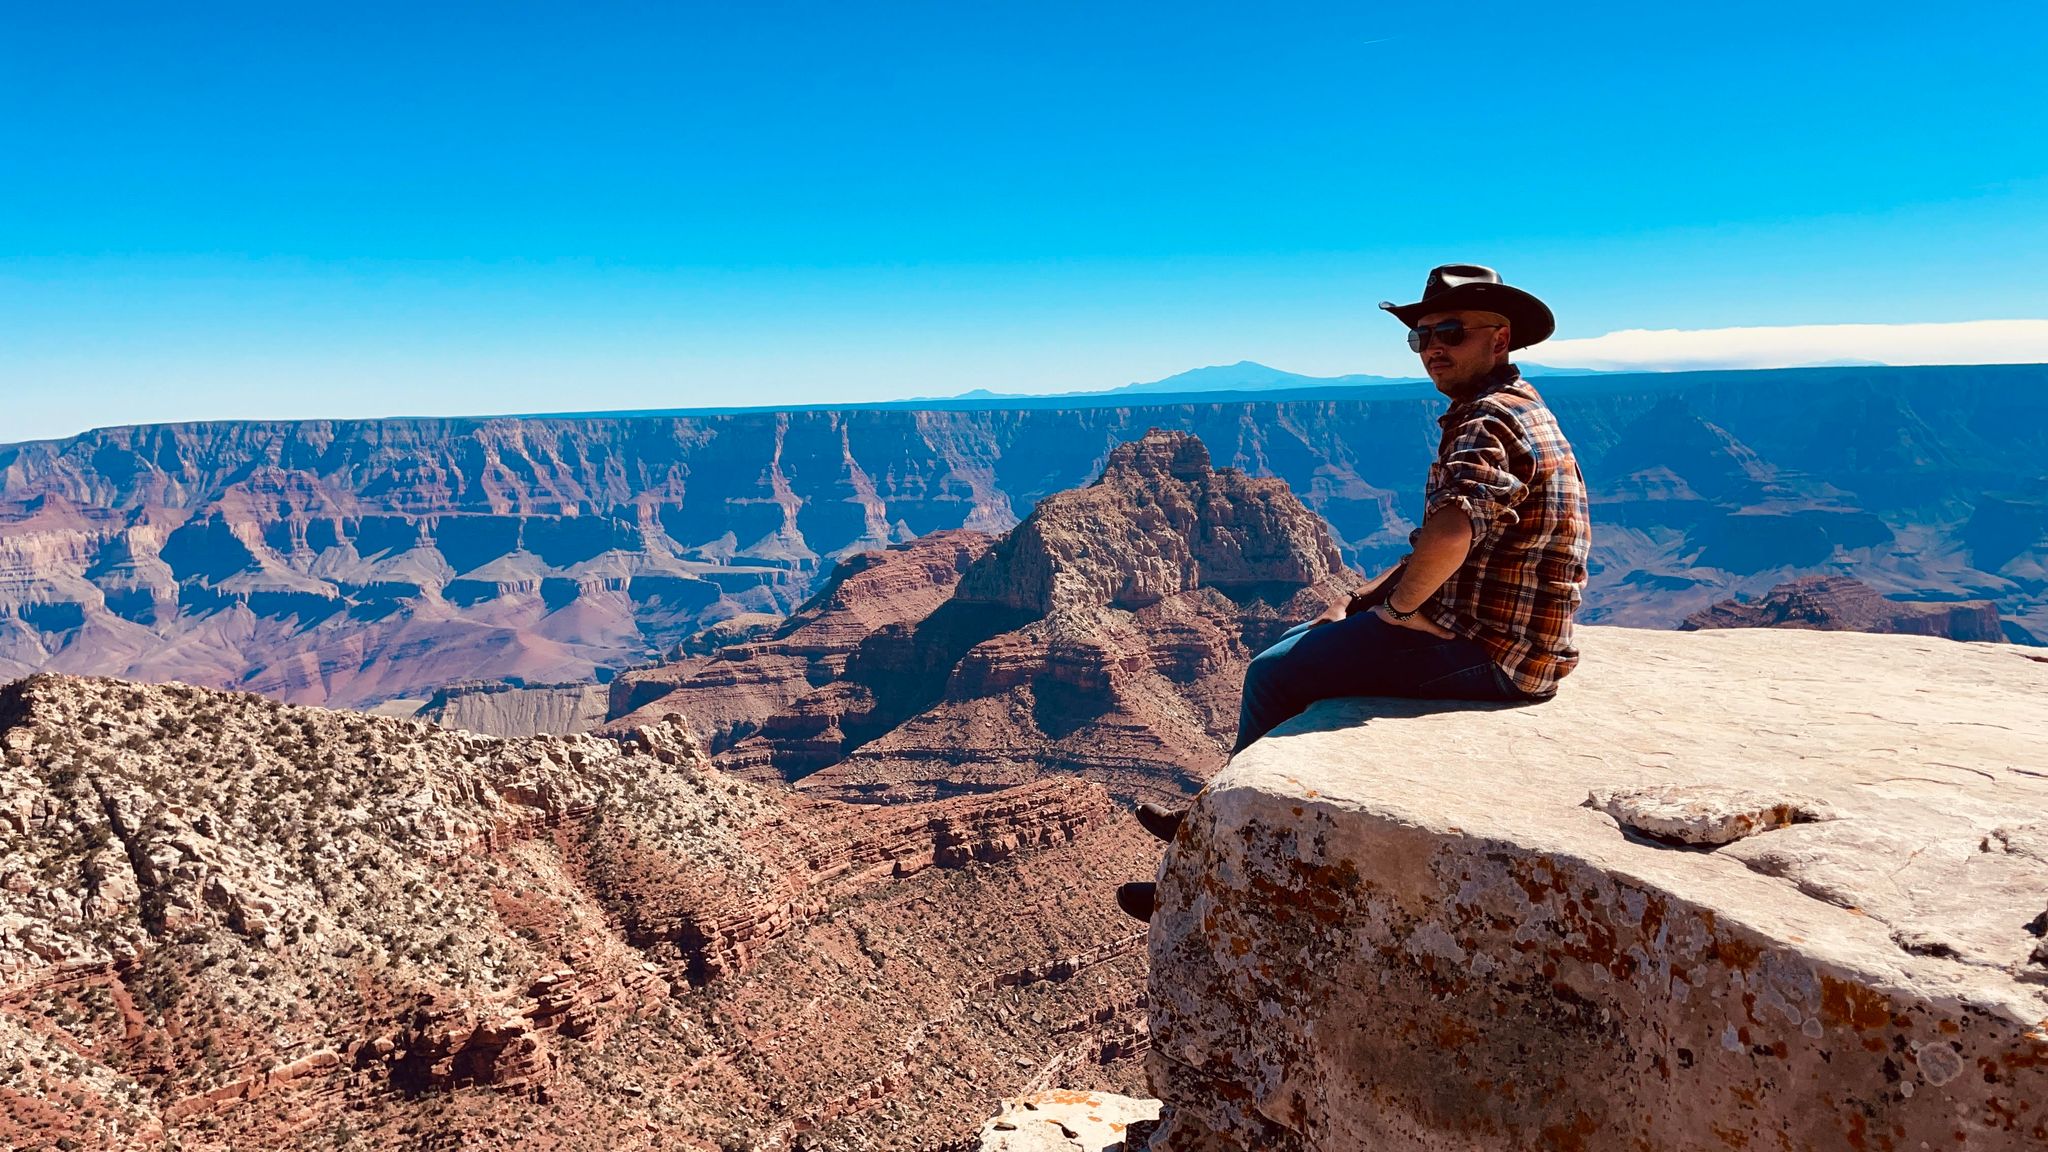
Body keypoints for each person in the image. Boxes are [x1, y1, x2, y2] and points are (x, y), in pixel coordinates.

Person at [1118, 264, 1592, 919]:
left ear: (1500, 338)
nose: (1433, 348)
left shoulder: (1489, 421)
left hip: (1491, 652)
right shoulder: (1510, 409)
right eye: (1421, 336)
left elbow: (1454, 530)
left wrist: (1398, 613)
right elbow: (1446, 539)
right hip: (1501, 637)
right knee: (1305, 638)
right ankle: (1213, 812)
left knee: (1271, 676)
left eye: (1450, 331)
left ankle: (1206, 867)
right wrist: (1364, 600)